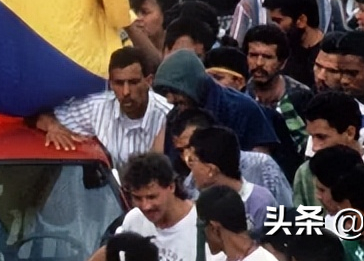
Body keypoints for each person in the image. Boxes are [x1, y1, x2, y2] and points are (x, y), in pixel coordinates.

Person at [36, 47, 173, 169]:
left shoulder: (168, 115)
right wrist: (53, 126)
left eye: (133, 82)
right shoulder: (97, 108)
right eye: (119, 83)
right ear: (110, 84)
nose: (126, 91)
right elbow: (38, 115)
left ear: (148, 81)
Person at [152, 51, 280, 152]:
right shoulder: (175, 116)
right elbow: (161, 165)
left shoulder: (244, 109)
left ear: (192, 85)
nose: (169, 99)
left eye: (174, 91)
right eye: (165, 92)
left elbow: (261, 165)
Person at [116, 154, 200, 261]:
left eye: (152, 197)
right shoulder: (134, 220)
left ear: (171, 187)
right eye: (137, 198)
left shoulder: (201, 228)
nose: (145, 206)